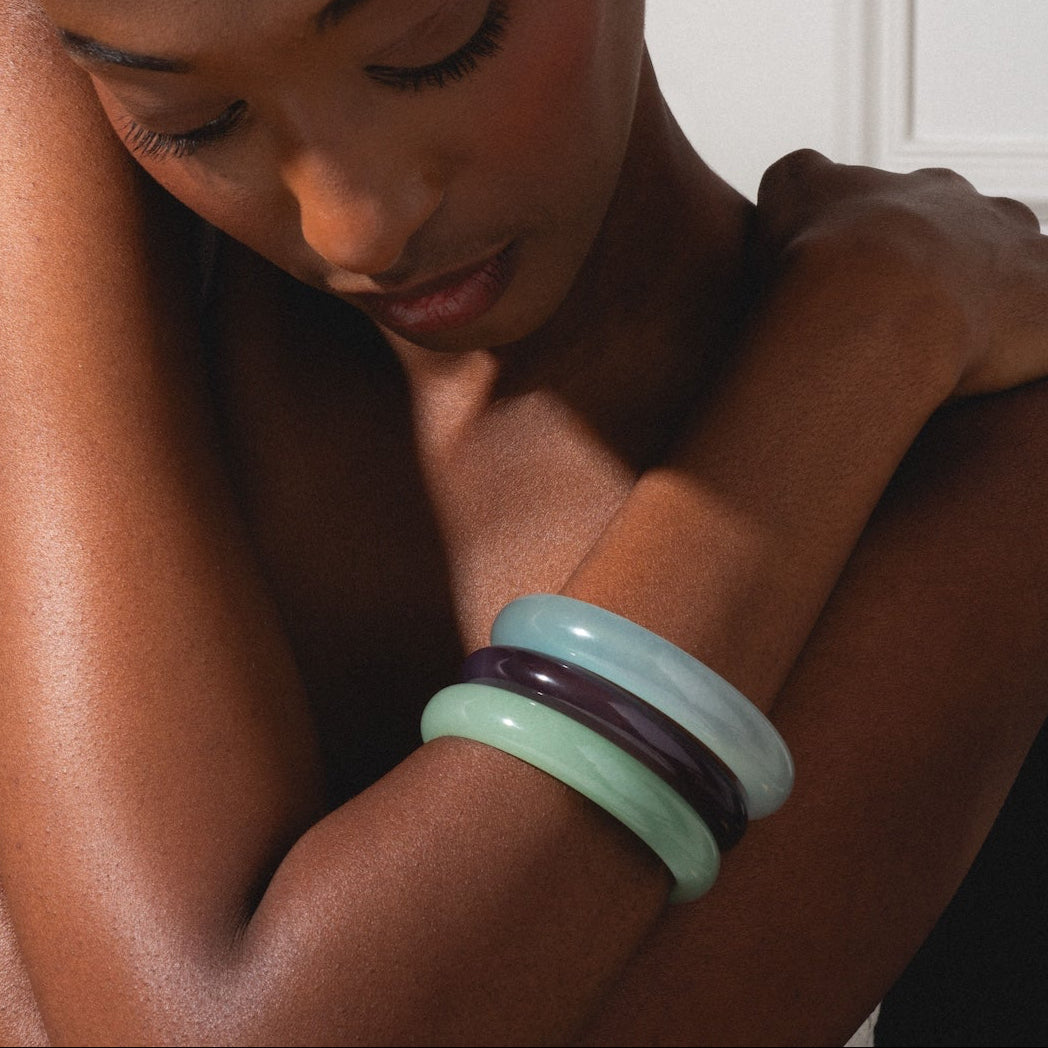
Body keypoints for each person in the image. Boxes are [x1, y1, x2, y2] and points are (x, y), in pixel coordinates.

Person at [0, 1, 1046, 1043]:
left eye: (430, 48)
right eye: (190, 118)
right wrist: (860, 335)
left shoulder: (989, 464)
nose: (358, 225)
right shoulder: (63, 94)